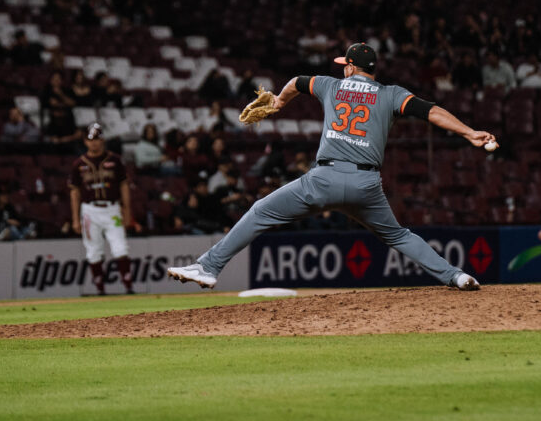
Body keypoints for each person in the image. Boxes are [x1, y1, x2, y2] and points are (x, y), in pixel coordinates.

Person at [167, 42, 495, 291]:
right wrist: (469, 132)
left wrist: (280, 102)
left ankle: (209, 267)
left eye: (344, 65)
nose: (342, 69)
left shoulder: (331, 85)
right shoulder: (392, 93)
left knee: (260, 212)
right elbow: (431, 111)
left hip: (323, 180)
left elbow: (296, 81)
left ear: (352, 68)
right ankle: (456, 275)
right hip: (366, 186)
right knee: (398, 235)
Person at [68, 123, 140, 295]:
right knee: (93, 250)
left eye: (98, 139)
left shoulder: (115, 160)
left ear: (103, 140)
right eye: (91, 139)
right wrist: (75, 219)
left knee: (120, 248)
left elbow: (124, 186)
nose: (95, 143)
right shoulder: (79, 164)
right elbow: (75, 193)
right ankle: (100, 289)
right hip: (89, 211)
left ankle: (128, 286)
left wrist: (127, 210)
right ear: (85, 141)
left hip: (112, 208)